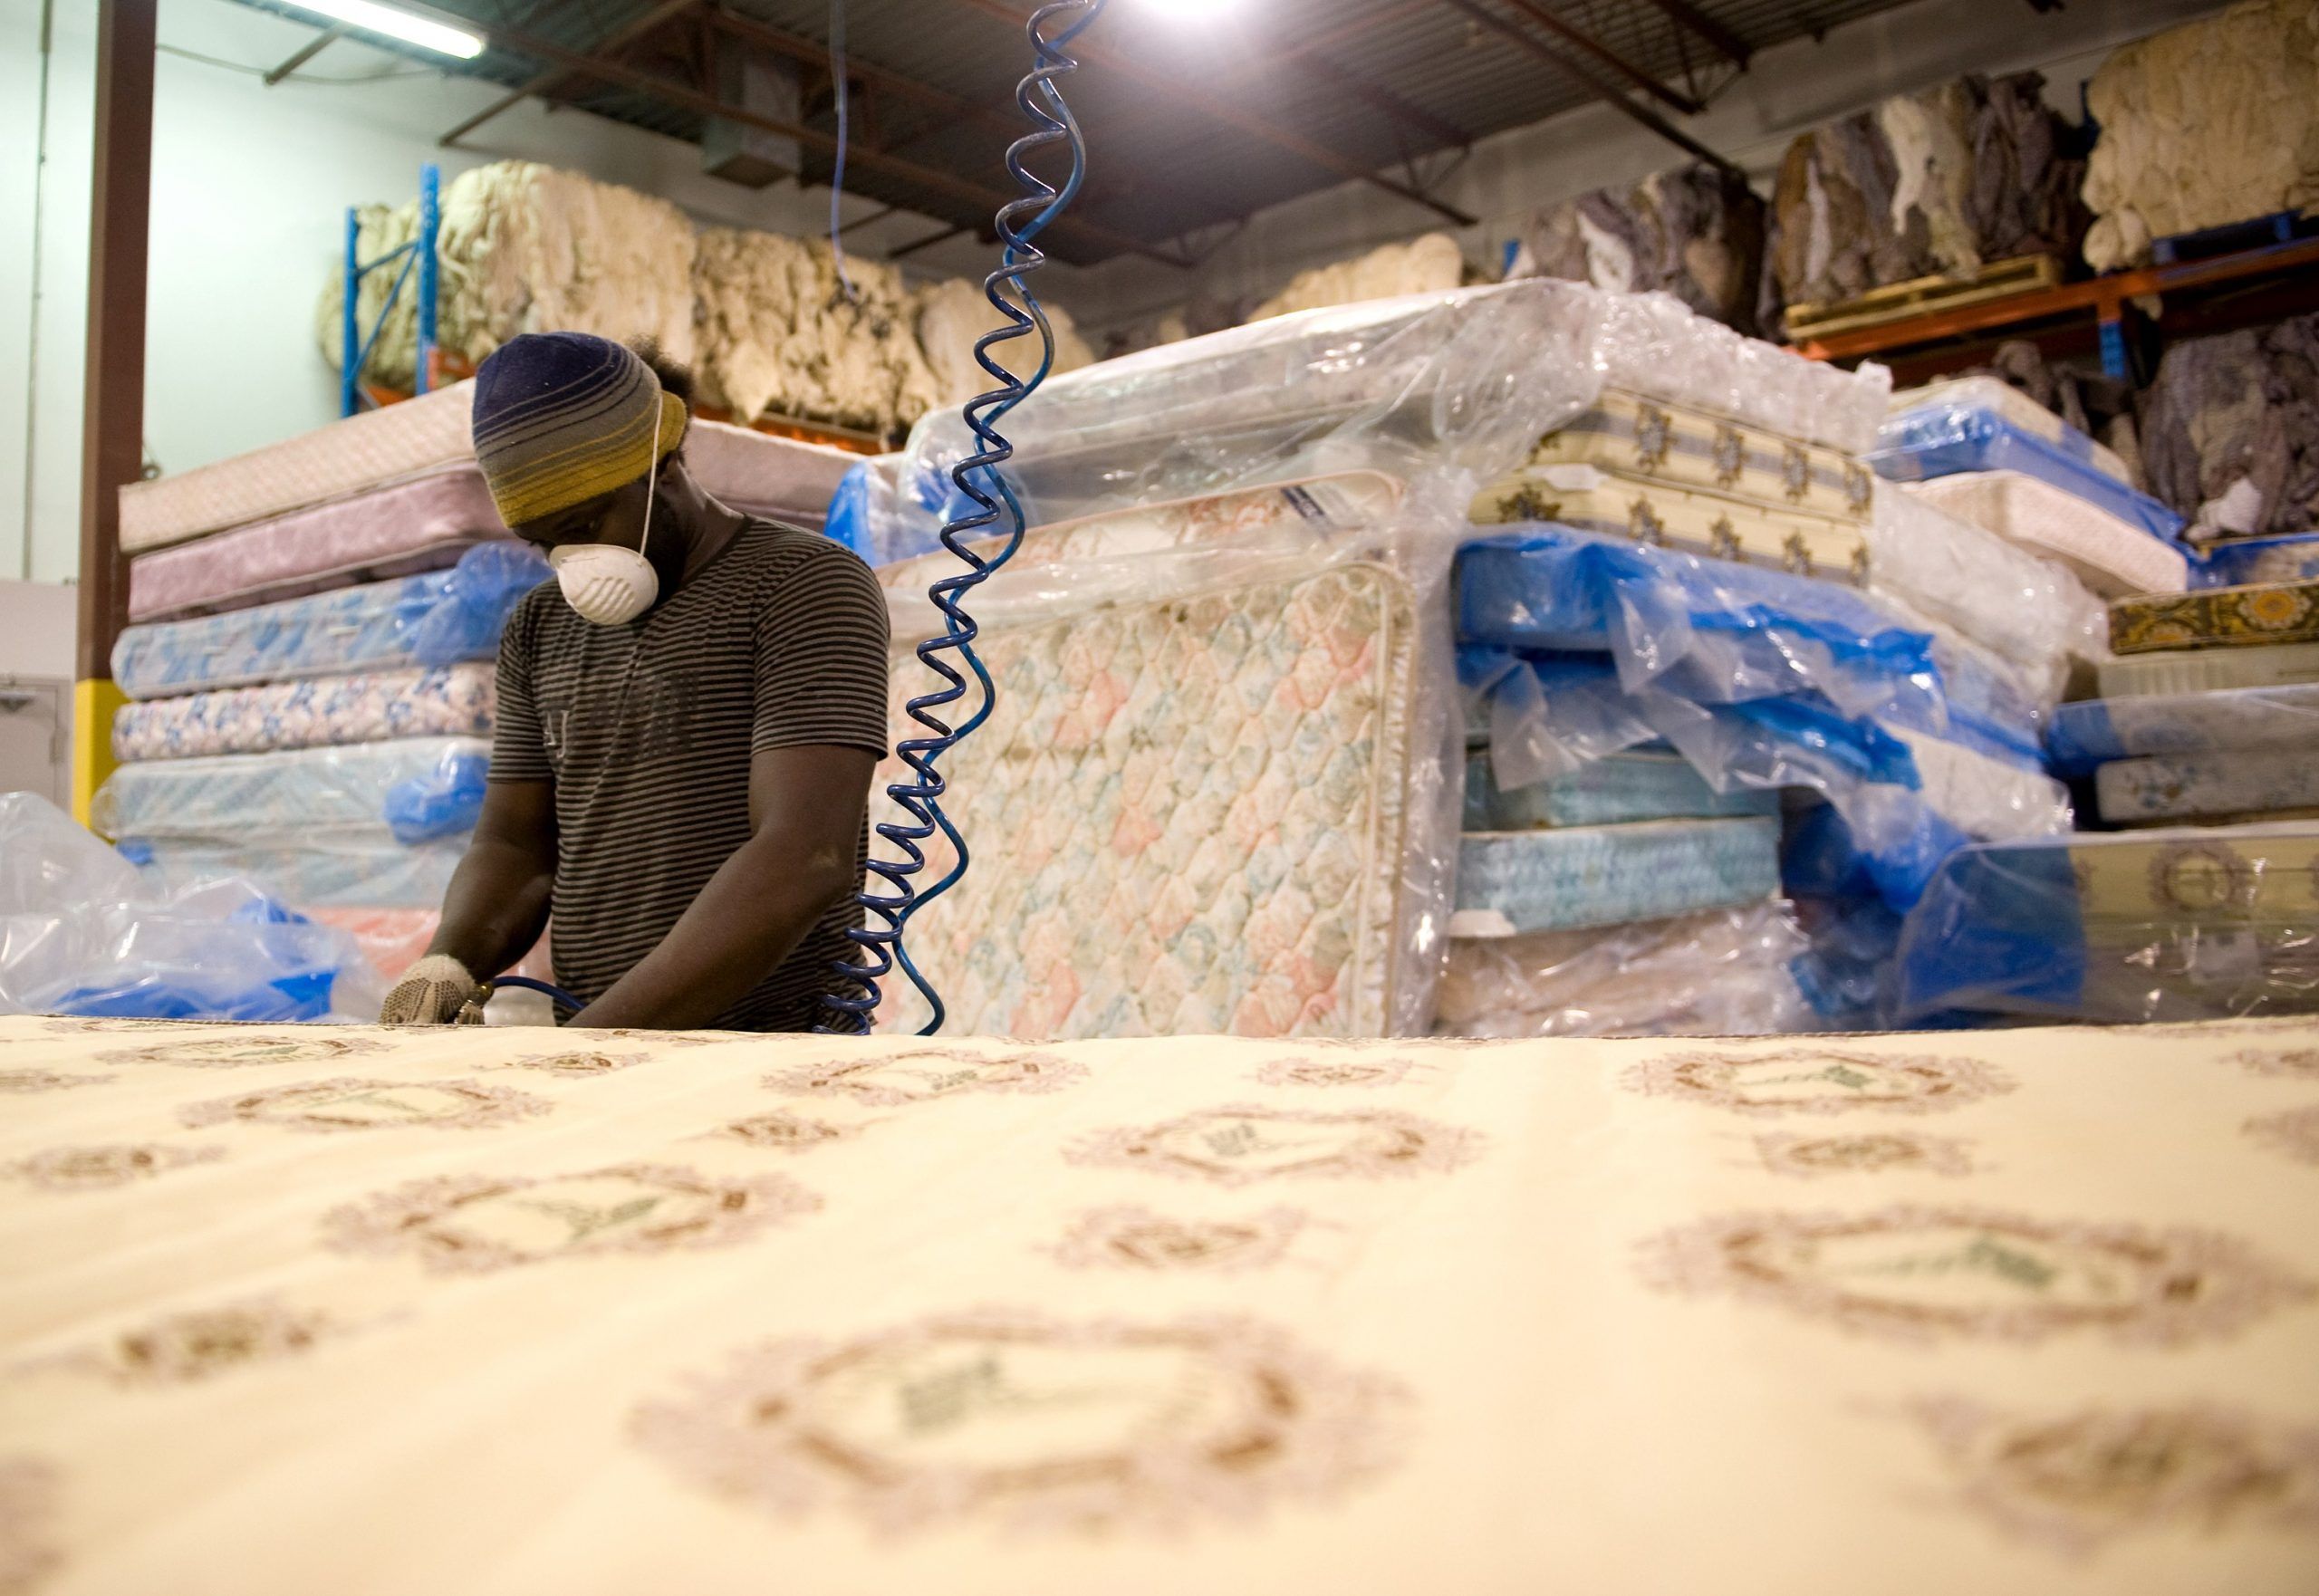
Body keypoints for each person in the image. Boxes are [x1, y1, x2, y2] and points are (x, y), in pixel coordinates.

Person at [380, 332, 890, 1031]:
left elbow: (805, 852)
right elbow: (514, 847)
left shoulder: (804, 585)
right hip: (608, 1038)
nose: (574, 560)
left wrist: (596, 1045)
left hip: (775, 1046)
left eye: (589, 523)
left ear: (665, 462)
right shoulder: (538, 626)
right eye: (545, 542)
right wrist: (448, 963)